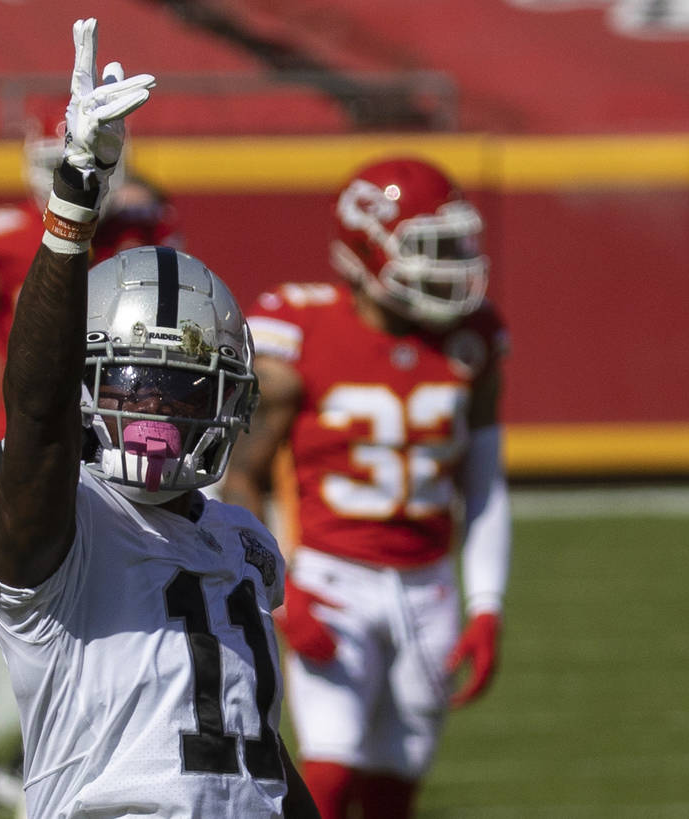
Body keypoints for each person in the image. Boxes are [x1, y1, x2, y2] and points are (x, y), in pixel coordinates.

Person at [0, 18, 318, 818]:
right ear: (87, 386)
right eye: (135, 386)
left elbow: (253, 745)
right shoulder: (63, 525)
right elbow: (40, 418)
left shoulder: (240, 541)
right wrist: (76, 196)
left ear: (230, 402)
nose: (158, 413)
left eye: (185, 391)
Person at [222, 156, 511, 819]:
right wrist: (277, 589)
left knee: (395, 785)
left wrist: (487, 602)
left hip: (429, 582)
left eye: (456, 244)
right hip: (332, 575)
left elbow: (484, 481)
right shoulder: (300, 334)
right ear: (367, 248)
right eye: (429, 248)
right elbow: (239, 473)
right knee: (327, 771)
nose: (451, 265)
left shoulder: (475, 339)